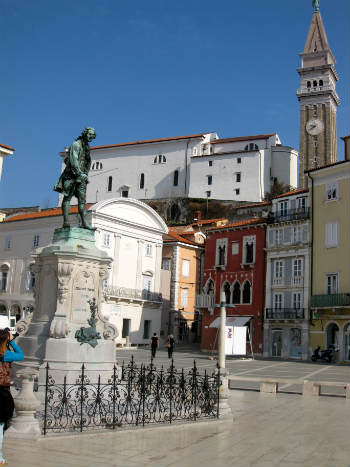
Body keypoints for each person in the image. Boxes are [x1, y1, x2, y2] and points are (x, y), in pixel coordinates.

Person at [53, 127, 96, 230]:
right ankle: (66, 222)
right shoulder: (75, 144)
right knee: (67, 197)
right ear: (85, 133)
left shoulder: (86, 147)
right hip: (71, 175)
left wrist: (85, 173)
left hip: (82, 177)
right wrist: (79, 173)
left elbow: (87, 161)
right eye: (90, 134)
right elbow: (73, 159)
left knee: (82, 200)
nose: (91, 137)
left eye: (92, 136)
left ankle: (84, 222)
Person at [0, 329, 24, 465]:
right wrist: (12, 341)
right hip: (2, 392)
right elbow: (21, 355)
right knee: (1, 426)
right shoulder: (6, 354)